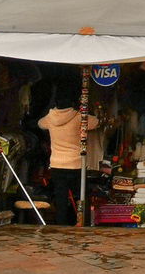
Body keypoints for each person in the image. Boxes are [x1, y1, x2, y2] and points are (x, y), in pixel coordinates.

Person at [38, 83, 98, 226]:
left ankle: (61, 227)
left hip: (57, 165)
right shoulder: (79, 117)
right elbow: (95, 122)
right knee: (82, 197)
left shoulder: (50, 118)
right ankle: (84, 224)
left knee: (61, 200)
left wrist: (50, 112)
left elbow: (40, 124)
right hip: (77, 164)